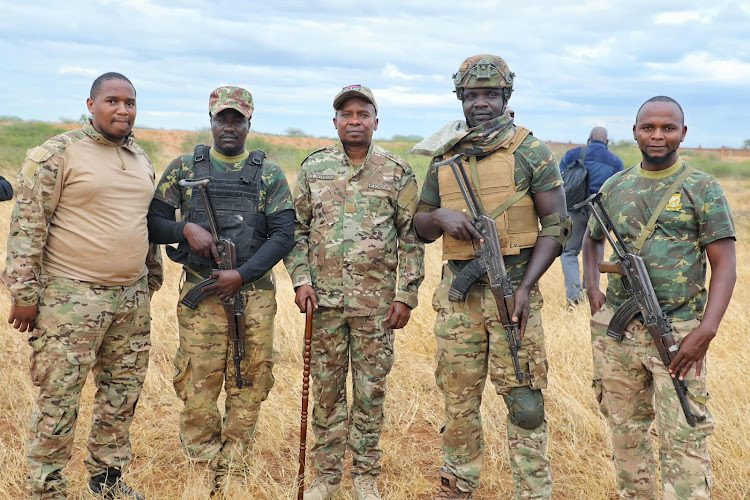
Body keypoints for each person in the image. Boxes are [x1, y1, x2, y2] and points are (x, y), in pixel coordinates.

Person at [412, 54, 571, 499]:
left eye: (491, 95)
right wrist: (441, 217)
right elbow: (418, 226)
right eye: (473, 95)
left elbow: (558, 225)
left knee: (525, 402)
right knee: (458, 400)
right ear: (461, 97)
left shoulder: (530, 150)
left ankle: (533, 491)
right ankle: (458, 485)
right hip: (460, 299)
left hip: (513, 295)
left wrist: (524, 287)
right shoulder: (444, 155)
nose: (481, 103)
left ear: (506, 97)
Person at [1, 72, 162, 500]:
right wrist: (24, 295)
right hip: (71, 298)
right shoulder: (58, 152)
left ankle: (106, 480)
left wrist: (151, 277)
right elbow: (28, 226)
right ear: (91, 105)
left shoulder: (141, 158)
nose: (123, 110)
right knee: (59, 397)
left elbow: (144, 224)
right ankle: (46, 487)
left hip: (130, 298)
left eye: (130, 102)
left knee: (121, 395)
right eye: (112, 101)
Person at [582, 96, 736, 499]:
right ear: (634, 133)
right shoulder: (616, 186)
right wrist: (593, 288)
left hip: (679, 332)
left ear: (682, 134)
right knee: (625, 431)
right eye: (648, 127)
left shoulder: (703, 188)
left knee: (684, 434)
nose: (657, 135)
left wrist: (706, 330)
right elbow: (592, 239)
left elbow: (725, 264)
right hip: (618, 335)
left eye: (668, 128)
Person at [146, 86, 295, 493]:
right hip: (201, 293)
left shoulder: (269, 173)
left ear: (249, 123)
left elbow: (284, 235)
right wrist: (184, 229)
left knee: (248, 377)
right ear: (211, 121)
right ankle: (201, 460)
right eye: (221, 119)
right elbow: (154, 222)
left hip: (254, 295)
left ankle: (234, 464)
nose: (229, 127)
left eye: (237, 120)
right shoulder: (184, 168)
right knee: (198, 380)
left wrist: (242, 275)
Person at [285, 84, 424, 500]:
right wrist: (301, 280)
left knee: (370, 393)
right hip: (323, 305)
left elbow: (411, 239)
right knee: (326, 393)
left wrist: (406, 295)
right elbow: (296, 230)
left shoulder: (397, 172)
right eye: (346, 114)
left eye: (363, 114)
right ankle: (326, 477)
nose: (354, 121)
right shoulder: (314, 169)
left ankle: (365, 475)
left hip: (377, 308)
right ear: (335, 122)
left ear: (375, 122)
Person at [559, 127, 623, 305]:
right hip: (600, 212)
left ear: (589, 139)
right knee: (595, 251)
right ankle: (590, 292)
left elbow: (558, 180)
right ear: (607, 142)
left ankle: (574, 297)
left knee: (569, 252)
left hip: (575, 209)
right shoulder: (616, 162)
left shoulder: (573, 154)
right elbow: (619, 190)